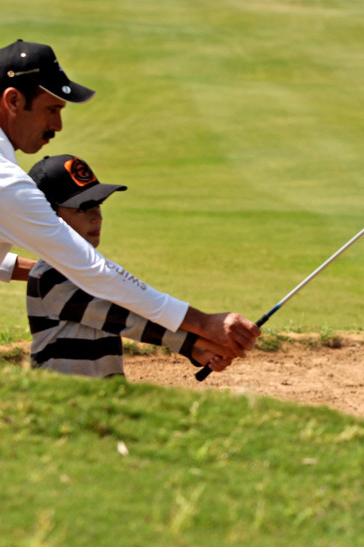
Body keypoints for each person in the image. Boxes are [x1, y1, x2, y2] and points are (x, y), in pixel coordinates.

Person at [0, 39, 259, 362]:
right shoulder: (6, 183)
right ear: (12, 100)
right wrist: (203, 323)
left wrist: (37, 273)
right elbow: (92, 270)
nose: (58, 126)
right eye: (51, 109)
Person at [26, 154, 229, 377]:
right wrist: (194, 344)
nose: (97, 217)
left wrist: (196, 347)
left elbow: (131, 311)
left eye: (98, 204)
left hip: (101, 397)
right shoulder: (50, 276)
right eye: (82, 208)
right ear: (46, 216)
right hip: (61, 400)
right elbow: (124, 319)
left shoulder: (90, 269)